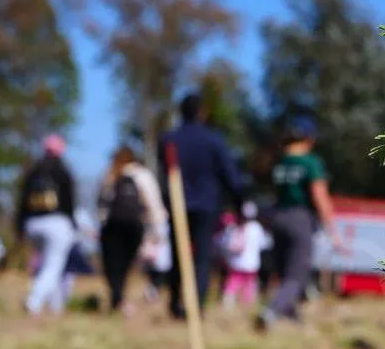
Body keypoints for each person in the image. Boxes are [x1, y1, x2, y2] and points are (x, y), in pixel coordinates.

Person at [159, 93, 244, 319]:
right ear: (201, 113)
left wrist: (164, 199)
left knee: (178, 254)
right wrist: (240, 203)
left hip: (178, 204)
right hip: (206, 204)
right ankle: (196, 304)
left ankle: (176, 302)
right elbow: (230, 174)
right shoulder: (213, 140)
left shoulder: (169, 139)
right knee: (202, 256)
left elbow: (162, 173)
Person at [257, 116, 343, 331]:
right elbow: (319, 196)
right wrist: (333, 230)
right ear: (308, 138)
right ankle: (271, 312)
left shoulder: (279, 163)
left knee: (285, 271)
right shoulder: (310, 162)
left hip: (278, 218)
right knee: (297, 274)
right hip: (300, 219)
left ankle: (292, 316)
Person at [97, 146, 166, 313]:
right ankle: (119, 299)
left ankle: (117, 298)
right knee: (125, 264)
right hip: (135, 225)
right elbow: (153, 202)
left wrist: (101, 225)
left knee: (112, 264)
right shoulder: (142, 175)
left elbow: (101, 204)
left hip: (112, 226)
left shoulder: (110, 174)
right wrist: (157, 228)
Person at [16, 134, 77, 316]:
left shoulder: (34, 172)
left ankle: (55, 306)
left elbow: (22, 203)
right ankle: (34, 300)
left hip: (32, 224)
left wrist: (19, 227)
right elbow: (69, 202)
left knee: (45, 265)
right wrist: (72, 224)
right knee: (54, 265)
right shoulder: (63, 171)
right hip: (57, 223)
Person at [222, 202, 268, 308]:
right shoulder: (256, 227)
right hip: (252, 264)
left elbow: (225, 243)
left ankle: (228, 303)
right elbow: (263, 243)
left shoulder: (233, 226)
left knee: (233, 283)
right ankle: (246, 303)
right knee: (249, 284)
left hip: (236, 263)